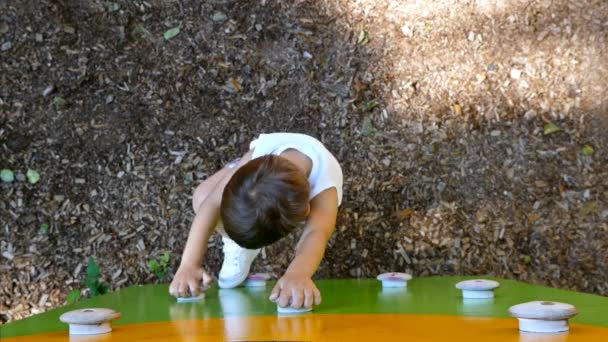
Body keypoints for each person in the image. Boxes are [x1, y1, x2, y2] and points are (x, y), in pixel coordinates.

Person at [169, 132, 343, 309]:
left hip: (303, 175)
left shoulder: (325, 185)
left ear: (306, 211)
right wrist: (189, 264)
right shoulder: (257, 158)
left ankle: (242, 241)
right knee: (202, 196)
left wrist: (298, 273)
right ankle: (235, 243)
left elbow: (316, 233)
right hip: (256, 160)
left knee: (318, 223)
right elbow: (212, 202)